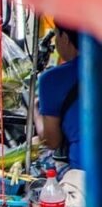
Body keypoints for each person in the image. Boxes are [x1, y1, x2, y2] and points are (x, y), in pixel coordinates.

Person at [38, 23, 81, 172]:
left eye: (56, 35)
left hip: (85, 174)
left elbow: (51, 141)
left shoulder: (52, 79)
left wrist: (36, 113)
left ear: (65, 38)